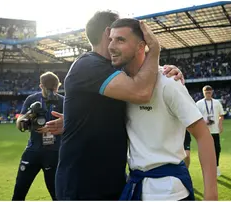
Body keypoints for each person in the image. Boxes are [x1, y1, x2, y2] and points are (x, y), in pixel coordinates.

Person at [44, 11, 183, 200]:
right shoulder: (89, 65)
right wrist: (155, 50)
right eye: (117, 36)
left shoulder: (112, 68)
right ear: (108, 32)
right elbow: (141, 92)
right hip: (83, 185)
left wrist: (167, 71)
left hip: (110, 182)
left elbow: (142, 75)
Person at [107, 19, 217, 200]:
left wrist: (211, 195)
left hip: (169, 191)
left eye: (120, 40)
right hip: (137, 186)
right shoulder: (120, 86)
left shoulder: (168, 83)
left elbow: (203, 135)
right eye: (110, 40)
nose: (111, 46)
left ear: (141, 46)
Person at [12, 72, 64, 201]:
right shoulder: (32, 99)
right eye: (50, 88)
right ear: (41, 86)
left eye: (55, 87)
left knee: (57, 195)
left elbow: (72, 126)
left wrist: (56, 127)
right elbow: (19, 124)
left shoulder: (64, 101)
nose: (53, 91)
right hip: (32, 151)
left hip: (54, 153)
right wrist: (29, 114)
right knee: (19, 193)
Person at [196, 85, 225, 177]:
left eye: (209, 92)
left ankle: (216, 167)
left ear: (212, 92)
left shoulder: (217, 103)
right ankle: (206, 169)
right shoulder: (199, 103)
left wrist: (220, 124)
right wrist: (204, 122)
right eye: (206, 93)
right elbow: (196, 117)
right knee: (205, 150)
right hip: (204, 131)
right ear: (203, 93)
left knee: (217, 149)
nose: (208, 94)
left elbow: (221, 115)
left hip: (215, 130)